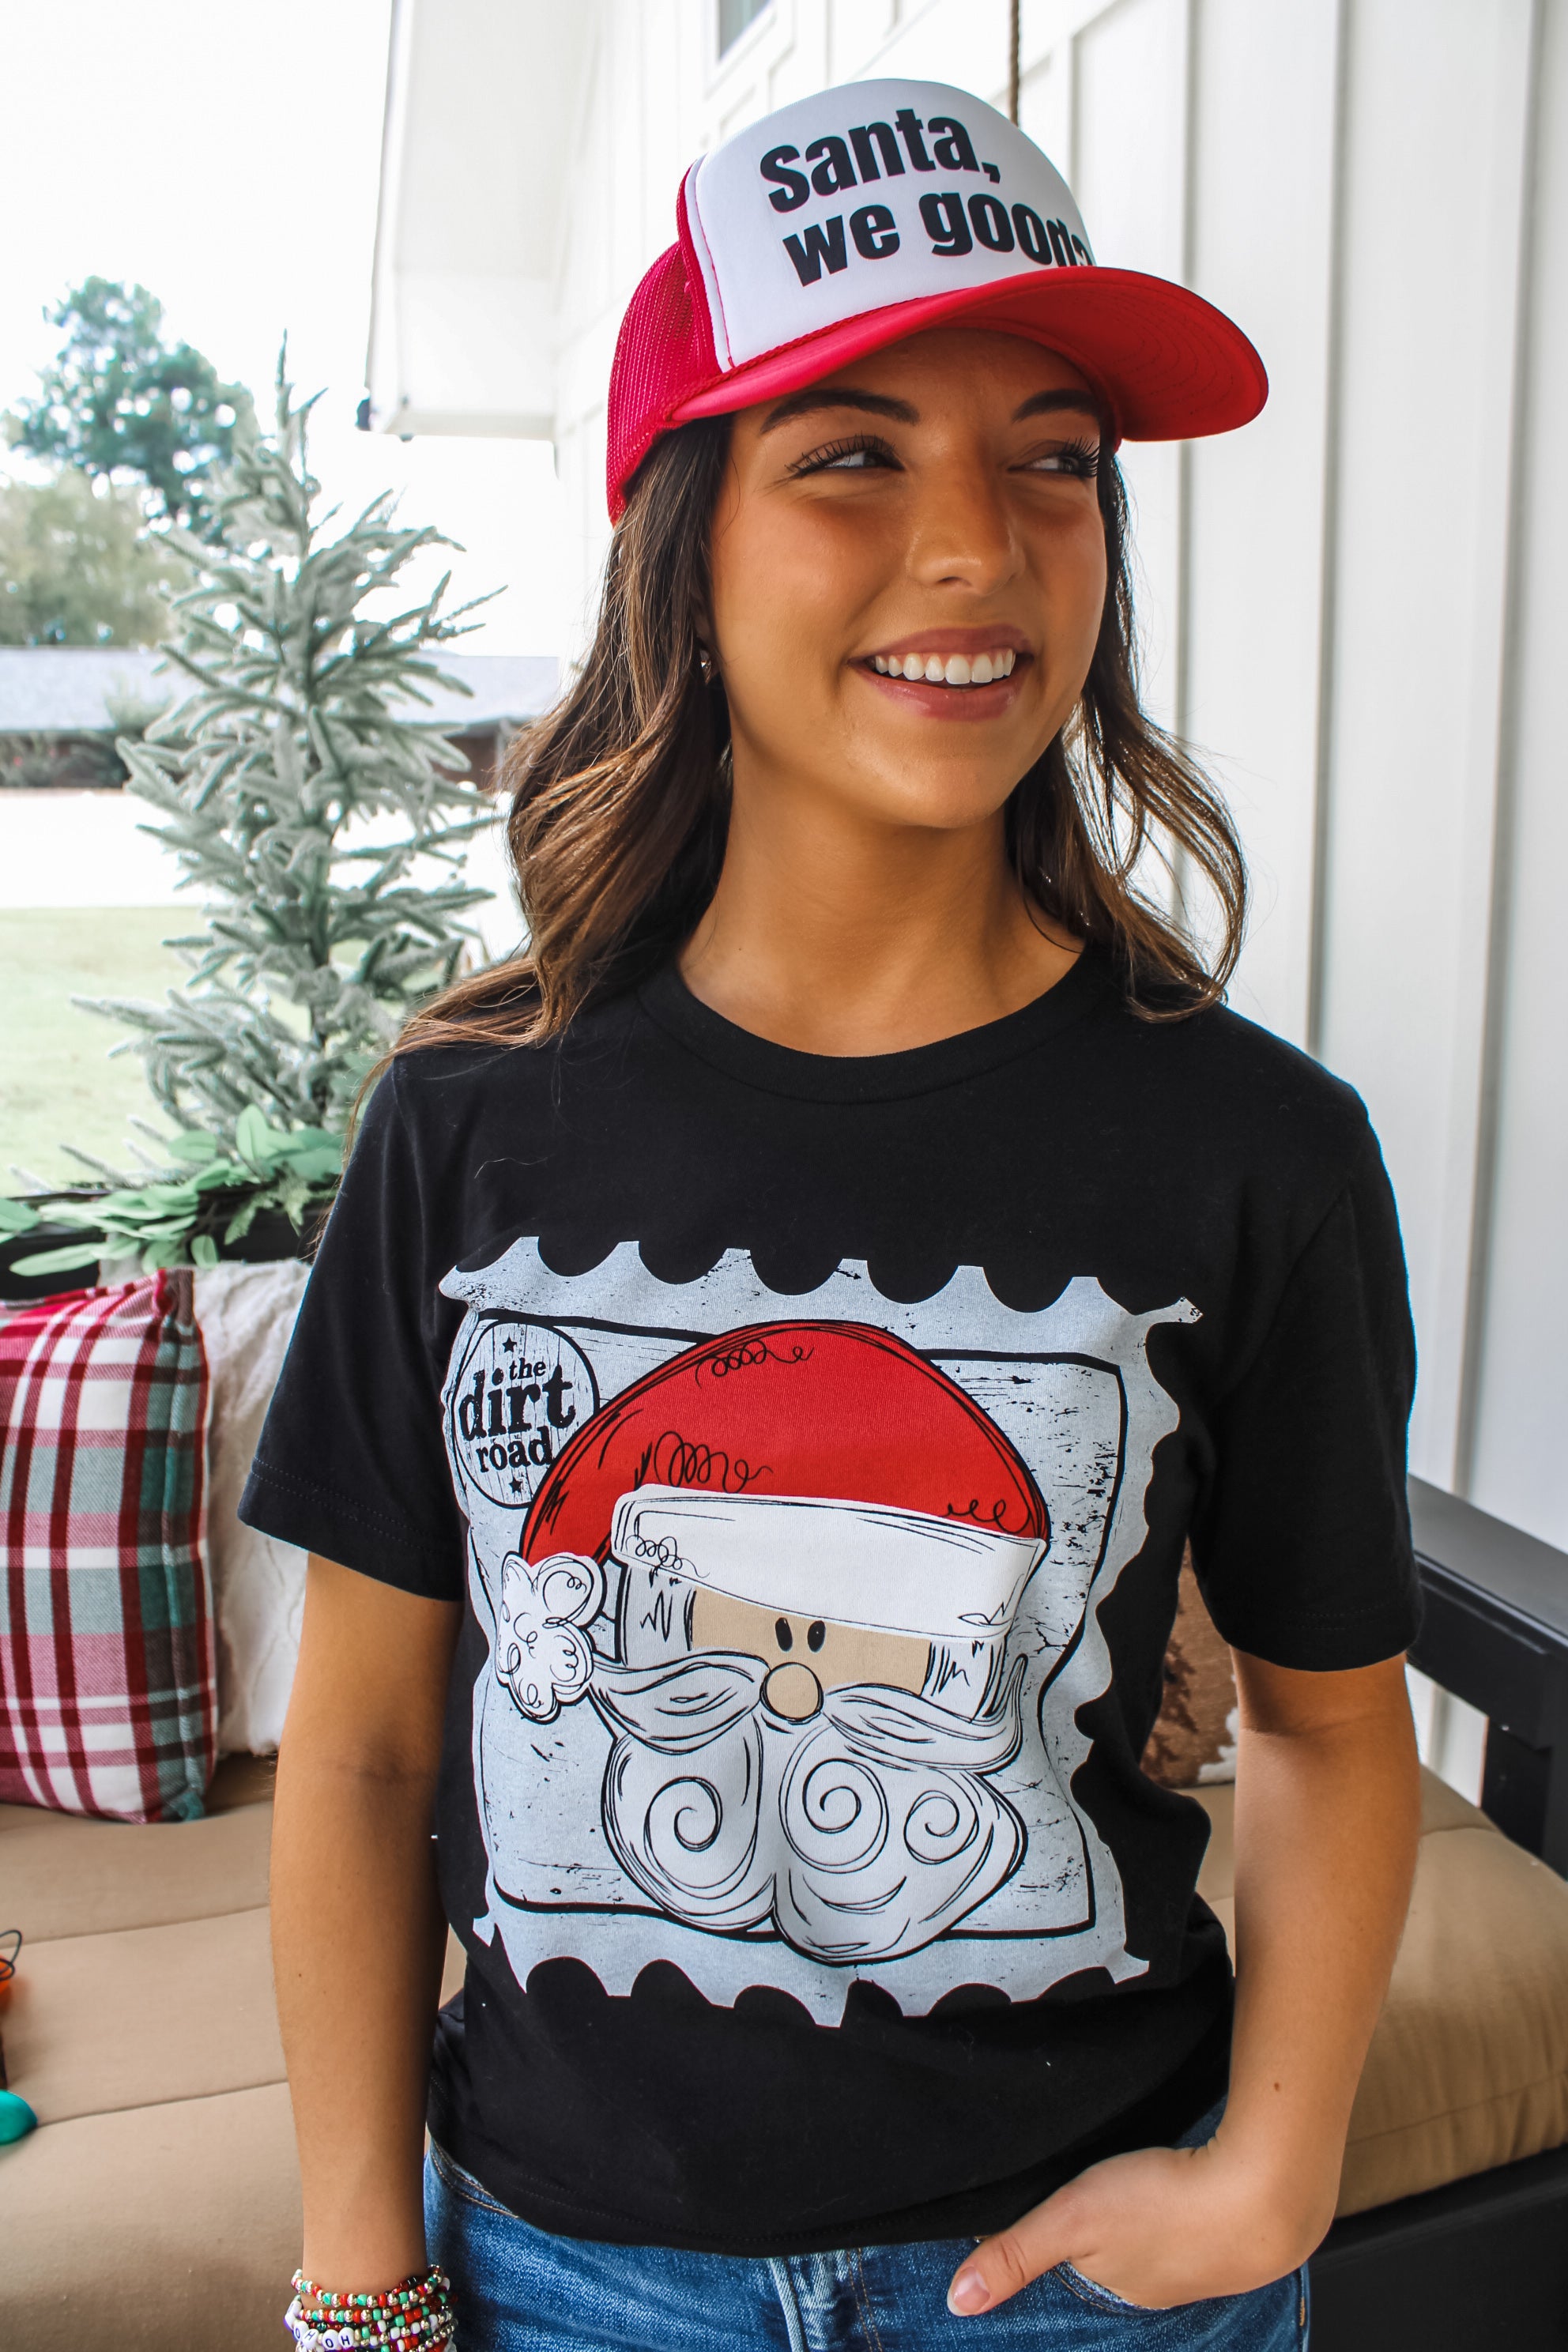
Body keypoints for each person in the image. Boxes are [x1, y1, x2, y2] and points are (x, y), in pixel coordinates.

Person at [249, 76, 1421, 2352]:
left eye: (1055, 458)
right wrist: (359, 2283)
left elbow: (1331, 1725)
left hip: (1086, 2294)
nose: (978, 544)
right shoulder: (465, 1123)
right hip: (566, 2277)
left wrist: (1271, 2179)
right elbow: (371, 1753)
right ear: (681, 545)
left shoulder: (1258, 1150)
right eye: (854, 453)